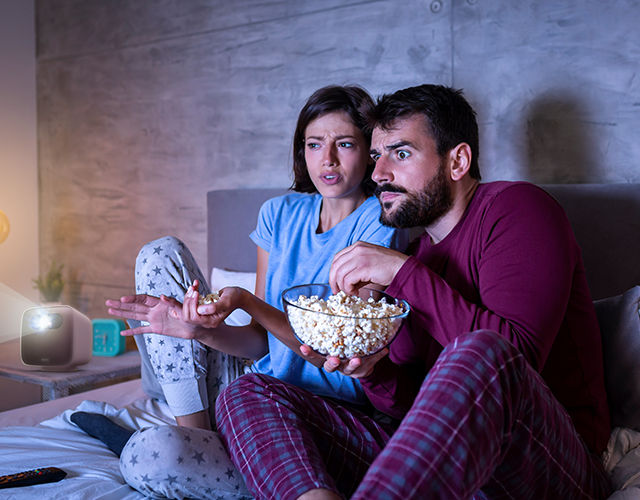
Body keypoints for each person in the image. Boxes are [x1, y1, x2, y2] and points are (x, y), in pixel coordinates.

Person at [215, 84, 613, 499]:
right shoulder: (419, 254)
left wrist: (403, 272)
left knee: (480, 351)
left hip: (547, 462)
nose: (378, 174)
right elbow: (412, 406)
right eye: (376, 156)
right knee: (247, 392)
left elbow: (513, 360)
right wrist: (373, 371)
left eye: (400, 154)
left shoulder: (516, 208)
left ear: (457, 160)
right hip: (445, 467)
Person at [68, 85, 406, 499]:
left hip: (322, 403)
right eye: (314, 144)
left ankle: (216, 456)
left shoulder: (381, 222)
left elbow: (336, 348)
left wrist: (247, 302)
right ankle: (197, 435)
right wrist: (200, 332)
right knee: (160, 254)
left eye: (345, 144)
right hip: (252, 388)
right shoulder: (278, 214)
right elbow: (259, 344)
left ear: (369, 150)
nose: (327, 159)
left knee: (148, 456)